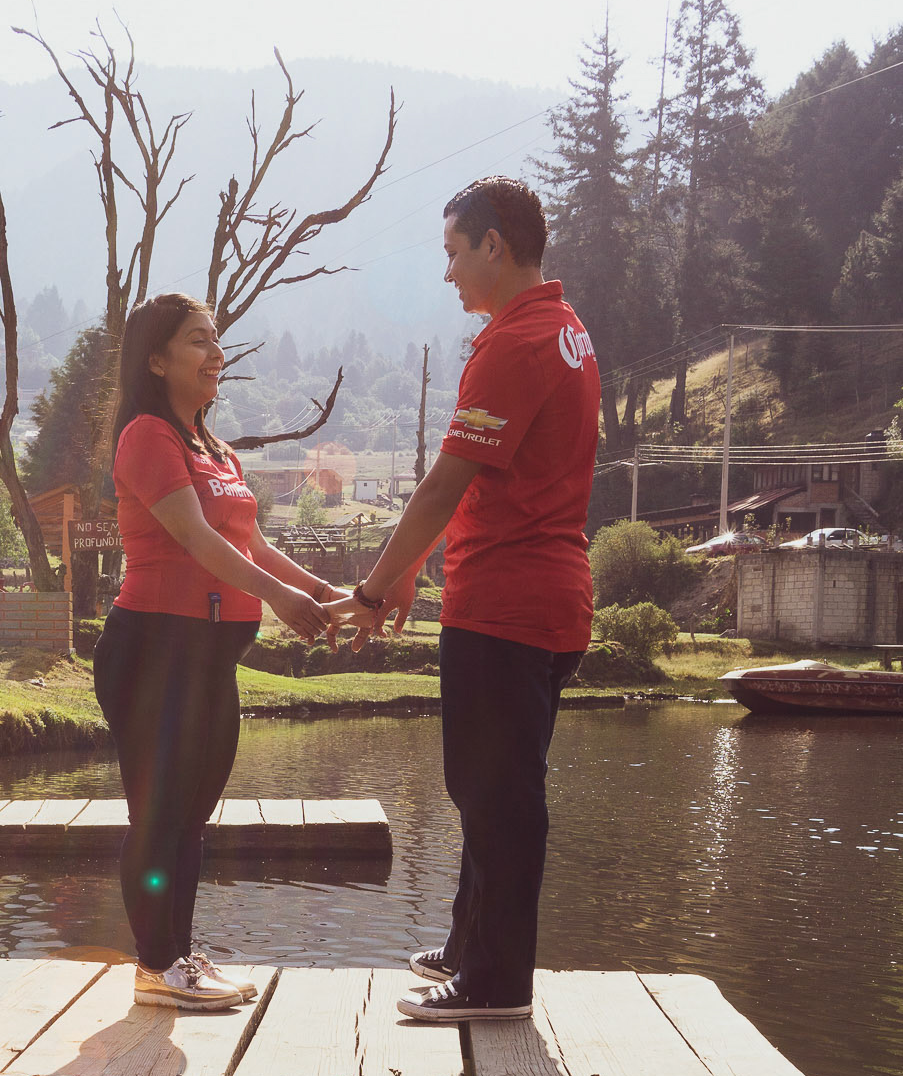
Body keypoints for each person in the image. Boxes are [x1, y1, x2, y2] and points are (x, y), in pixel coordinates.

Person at [327, 176, 599, 1024]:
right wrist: (414, 572)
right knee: (488, 785)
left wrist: (374, 585)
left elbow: (447, 481)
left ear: (493, 245)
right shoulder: (562, 331)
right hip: (542, 595)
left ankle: (494, 985)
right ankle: (468, 943)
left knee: (497, 793)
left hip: (507, 603)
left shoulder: (516, 343)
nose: (447, 274)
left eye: (452, 253)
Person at [93, 293, 334, 1010]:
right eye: (199, 340)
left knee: (191, 817)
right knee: (159, 816)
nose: (216, 353)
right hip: (153, 653)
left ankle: (175, 959)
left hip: (208, 661)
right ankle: (155, 964)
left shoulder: (215, 449)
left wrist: (329, 593)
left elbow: (250, 543)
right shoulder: (146, 435)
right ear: (158, 359)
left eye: (217, 340)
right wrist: (286, 605)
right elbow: (196, 539)